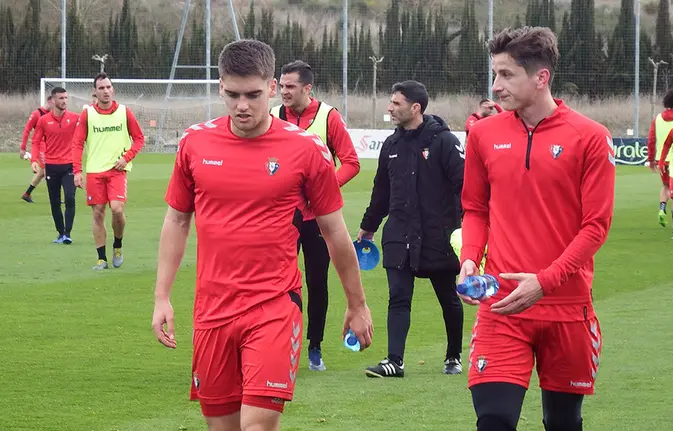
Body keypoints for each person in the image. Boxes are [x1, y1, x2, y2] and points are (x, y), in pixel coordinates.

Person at [151, 39, 373, 431]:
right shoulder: (194, 143)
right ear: (220, 87)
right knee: (223, 427)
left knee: (258, 425)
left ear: (272, 88)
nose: (242, 106)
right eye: (233, 94)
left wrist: (357, 303)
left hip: (274, 305)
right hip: (212, 311)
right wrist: (162, 297)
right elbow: (177, 221)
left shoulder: (307, 149)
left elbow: (334, 232)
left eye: (253, 94)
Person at [459, 26, 615, 431]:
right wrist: (470, 260)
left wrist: (545, 282)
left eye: (507, 75)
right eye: (495, 74)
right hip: (503, 305)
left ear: (541, 77)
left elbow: (595, 226)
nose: (496, 86)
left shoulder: (590, 137)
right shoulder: (483, 134)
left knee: (563, 422)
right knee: (494, 419)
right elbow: (475, 209)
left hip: (566, 307)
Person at [358, 80, 465, 378]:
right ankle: (395, 361)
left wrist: (463, 226)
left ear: (415, 108)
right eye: (391, 102)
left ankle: (454, 355)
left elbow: (464, 186)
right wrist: (369, 226)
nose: (390, 108)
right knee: (399, 297)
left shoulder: (443, 142)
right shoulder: (391, 145)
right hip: (398, 234)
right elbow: (381, 191)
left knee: (448, 297)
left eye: (396, 103)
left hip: (438, 236)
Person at [271, 59, 361, 371]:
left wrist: (323, 188)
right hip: (280, 217)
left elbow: (350, 161)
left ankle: (314, 347)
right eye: (281, 86)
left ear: (307, 88)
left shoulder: (328, 116)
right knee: (277, 283)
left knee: (317, 283)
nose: (284, 92)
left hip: (318, 219)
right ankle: (279, 344)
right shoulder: (271, 116)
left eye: (290, 87)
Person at [71, 73, 145, 270]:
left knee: (117, 209)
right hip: (95, 171)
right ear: (94, 92)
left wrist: (126, 157)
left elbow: (139, 139)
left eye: (108, 87)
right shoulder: (87, 114)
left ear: (113, 89)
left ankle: (118, 245)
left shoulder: (124, 112)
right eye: (101, 88)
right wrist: (77, 171)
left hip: (117, 170)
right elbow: (77, 143)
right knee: (98, 213)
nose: (105, 91)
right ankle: (101, 258)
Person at [30, 87, 80, 244]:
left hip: (69, 166)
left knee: (70, 197)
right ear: (53, 101)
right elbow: (36, 141)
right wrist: (34, 160)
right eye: (61, 98)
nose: (64, 101)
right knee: (55, 201)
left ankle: (67, 234)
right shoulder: (43, 121)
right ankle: (60, 233)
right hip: (51, 166)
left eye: (66, 98)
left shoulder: (74, 118)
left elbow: (90, 123)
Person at [647, 88, 673, 229]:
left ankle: (661, 208)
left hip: (662, 160)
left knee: (666, 186)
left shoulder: (657, 119)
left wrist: (651, 159)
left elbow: (651, 140)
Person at [19, 95, 54, 203]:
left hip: (50, 146)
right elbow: (27, 130)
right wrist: (23, 147)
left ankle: (27, 193)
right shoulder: (36, 114)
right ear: (49, 101)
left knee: (42, 172)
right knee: (48, 170)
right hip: (41, 146)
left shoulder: (53, 114)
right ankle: (54, 197)